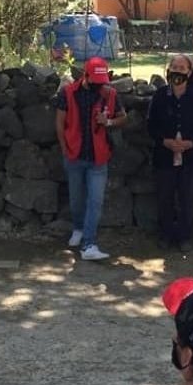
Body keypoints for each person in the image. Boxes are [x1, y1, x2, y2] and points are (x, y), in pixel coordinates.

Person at [55, 56, 127, 261]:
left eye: (101, 83)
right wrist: (64, 148)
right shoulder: (67, 93)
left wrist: (109, 122)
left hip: (99, 156)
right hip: (74, 154)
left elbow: (124, 117)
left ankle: (89, 243)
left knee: (95, 201)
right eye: (95, 83)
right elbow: (59, 122)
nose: (99, 88)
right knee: (76, 199)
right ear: (85, 76)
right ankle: (78, 229)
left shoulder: (111, 94)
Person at [146, 54, 193, 252]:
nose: (177, 71)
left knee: (187, 197)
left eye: (182, 68)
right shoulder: (160, 96)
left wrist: (191, 142)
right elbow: (151, 124)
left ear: (189, 72)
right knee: (165, 196)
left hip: (190, 156)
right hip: (164, 155)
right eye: (174, 66)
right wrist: (165, 141)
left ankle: (185, 237)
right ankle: (165, 235)